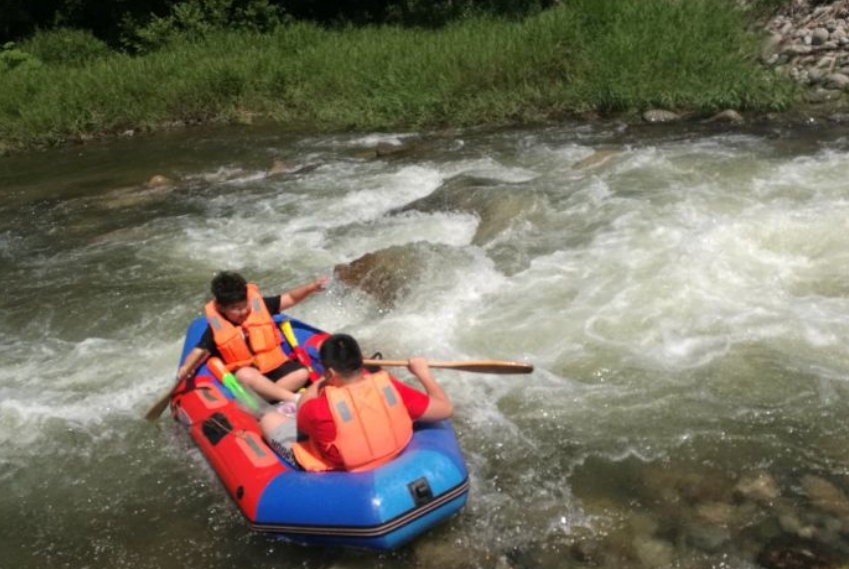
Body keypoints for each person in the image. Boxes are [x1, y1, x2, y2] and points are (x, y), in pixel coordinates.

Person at [260, 333, 454, 471]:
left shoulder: (319, 407)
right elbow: (445, 408)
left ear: (330, 372)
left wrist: (322, 380)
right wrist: (423, 373)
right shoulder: (390, 386)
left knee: (268, 419)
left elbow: (302, 414)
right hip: (395, 451)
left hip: (344, 468)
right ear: (361, 360)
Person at [177, 271, 328, 403]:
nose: (242, 312)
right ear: (221, 308)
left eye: (244, 306)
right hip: (250, 378)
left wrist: (310, 288)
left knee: (301, 374)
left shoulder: (260, 306)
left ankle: (262, 401)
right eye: (235, 309)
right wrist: (186, 367)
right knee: (245, 375)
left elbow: (289, 298)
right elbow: (199, 351)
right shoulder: (216, 328)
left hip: (275, 369)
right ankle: (293, 399)